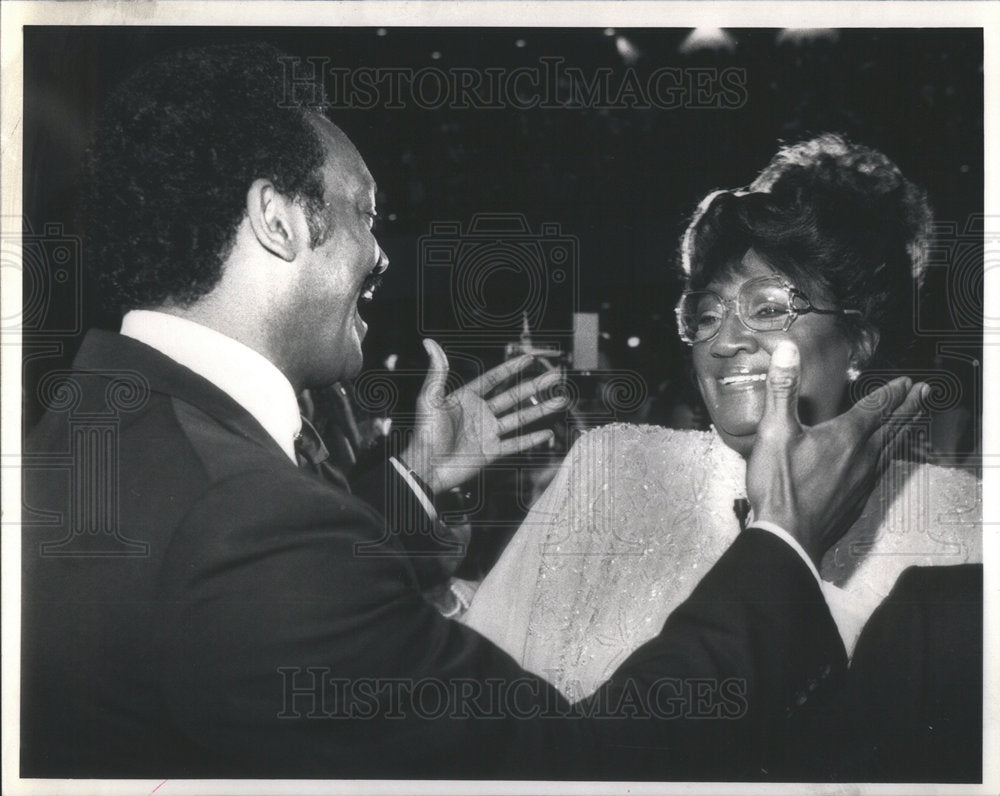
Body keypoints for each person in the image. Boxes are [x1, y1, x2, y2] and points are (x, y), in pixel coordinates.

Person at [21, 46, 924, 780]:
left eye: (770, 307)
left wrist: (412, 483)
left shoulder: (98, 419)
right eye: (368, 214)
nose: (382, 254)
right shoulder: (239, 520)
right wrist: (783, 543)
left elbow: (265, 626)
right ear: (279, 220)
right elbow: (571, 770)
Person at [463, 135, 982, 777]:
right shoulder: (612, 467)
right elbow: (475, 716)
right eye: (705, 314)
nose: (726, 339)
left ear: (858, 344)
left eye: (768, 309)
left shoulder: (957, 519)